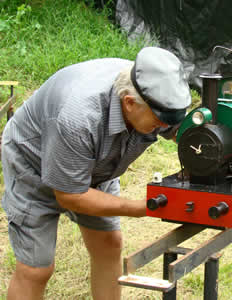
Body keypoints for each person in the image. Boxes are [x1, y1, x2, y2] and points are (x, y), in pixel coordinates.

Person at [1, 47, 191, 300]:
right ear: (129, 103)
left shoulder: (154, 90)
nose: (165, 127)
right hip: (32, 163)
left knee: (108, 244)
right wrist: (141, 207)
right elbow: (71, 196)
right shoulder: (78, 117)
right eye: (159, 123)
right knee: (37, 268)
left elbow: (186, 134)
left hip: (95, 166)